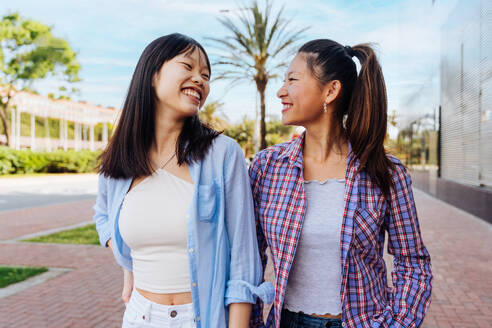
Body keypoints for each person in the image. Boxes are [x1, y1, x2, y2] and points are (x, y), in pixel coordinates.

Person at [93, 33, 273, 328]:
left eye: (205, 74)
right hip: (139, 316)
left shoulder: (222, 154)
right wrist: (129, 260)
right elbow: (103, 215)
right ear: (153, 75)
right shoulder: (120, 156)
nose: (199, 79)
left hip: (201, 319)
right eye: (187, 67)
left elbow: (243, 260)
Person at [249, 39, 432, 328]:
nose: (280, 91)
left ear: (331, 90)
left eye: (292, 79)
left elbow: (413, 262)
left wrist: (398, 323)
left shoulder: (386, 172)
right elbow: (251, 258)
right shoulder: (266, 167)